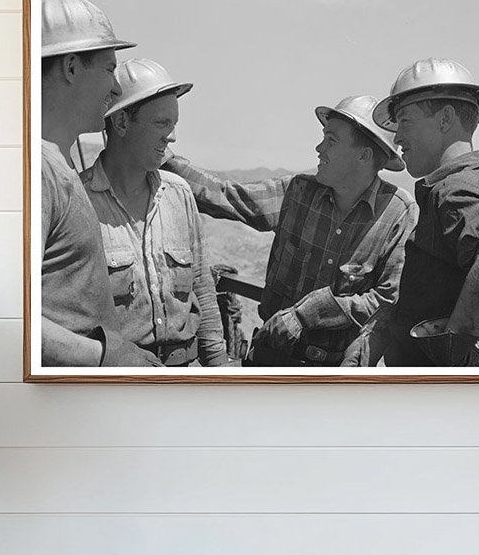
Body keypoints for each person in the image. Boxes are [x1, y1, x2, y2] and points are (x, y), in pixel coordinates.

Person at [162, 95, 417, 367]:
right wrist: (164, 158)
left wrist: (314, 310)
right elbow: (226, 196)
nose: (319, 148)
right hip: (271, 358)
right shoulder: (297, 193)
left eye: (331, 139)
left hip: (335, 374)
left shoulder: (398, 213)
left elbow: (388, 301)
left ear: (364, 156)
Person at [343, 58, 479, 368]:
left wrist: (448, 350)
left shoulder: (455, 190)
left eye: (405, 121)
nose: (398, 138)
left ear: (445, 119)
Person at [80, 58, 228, 367]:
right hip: (117, 382)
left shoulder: (179, 194)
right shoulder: (80, 201)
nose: (171, 137)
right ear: (121, 123)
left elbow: (202, 289)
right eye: (162, 124)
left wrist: (220, 369)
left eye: (173, 126)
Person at [39, 0, 160, 368]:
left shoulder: (57, 164)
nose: (116, 89)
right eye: (109, 69)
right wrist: (107, 358)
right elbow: (5, 315)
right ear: (72, 67)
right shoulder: (35, 170)